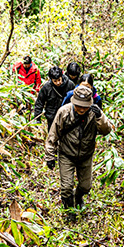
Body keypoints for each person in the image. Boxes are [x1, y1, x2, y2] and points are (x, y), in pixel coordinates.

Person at [45, 84, 112, 222]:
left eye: (84, 106)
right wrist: (50, 156)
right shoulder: (64, 112)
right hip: (66, 154)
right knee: (66, 187)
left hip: (86, 155)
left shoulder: (95, 113)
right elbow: (53, 135)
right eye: (78, 105)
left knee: (86, 186)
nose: (81, 109)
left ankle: (78, 197)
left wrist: (100, 117)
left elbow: (107, 130)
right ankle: (70, 210)